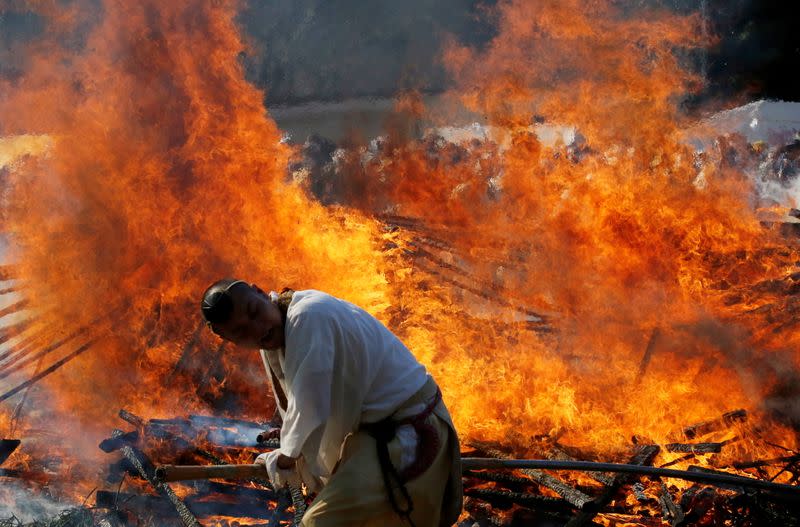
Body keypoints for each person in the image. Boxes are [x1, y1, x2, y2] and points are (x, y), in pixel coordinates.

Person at [200, 279, 462, 527]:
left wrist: (287, 456)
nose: (258, 329)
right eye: (242, 331)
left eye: (255, 312)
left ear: (260, 292)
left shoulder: (308, 315)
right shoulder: (281, 332)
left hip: (409, 430)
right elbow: (316, 396)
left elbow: (311, 406)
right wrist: (291, 438)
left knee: (319, 522)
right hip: (375, 434)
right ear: (230, 341)